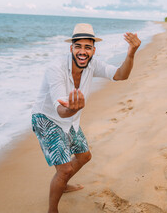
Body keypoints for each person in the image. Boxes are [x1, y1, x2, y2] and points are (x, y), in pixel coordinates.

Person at [31, 23, 141, 213]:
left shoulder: (93, 64)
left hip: (69, 119)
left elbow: (121, 75)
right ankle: (52, 210)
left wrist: (131, 53)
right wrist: (72, 110)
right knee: (64, 170)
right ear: (71, 48)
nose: (83, 51)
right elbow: (59, 110)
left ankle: (63, 185)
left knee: (84, 156)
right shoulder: (55, 69)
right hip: (46, 118)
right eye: (78, 46)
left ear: (93, 50)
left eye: (87, 47)